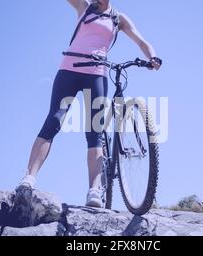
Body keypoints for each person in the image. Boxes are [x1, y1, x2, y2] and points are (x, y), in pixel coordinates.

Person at [14, 0, 161, 209]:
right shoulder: (84, 7)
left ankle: (94, 190)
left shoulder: (118, 18)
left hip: (97, 75)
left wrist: (153, 57)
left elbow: (142, 42)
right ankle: (28, 178)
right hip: (69, 70)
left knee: (95, 131)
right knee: (54, 120)